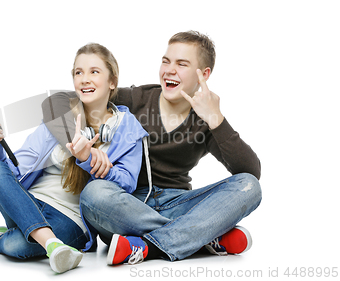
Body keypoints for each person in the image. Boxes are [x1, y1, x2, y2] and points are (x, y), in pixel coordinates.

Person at [41, 31, 262, 265]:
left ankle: (147, 247)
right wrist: (84, 147)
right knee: (93, 194)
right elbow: (54, 103)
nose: (169, 70)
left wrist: (216, 119)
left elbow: (249, 172)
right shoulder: (137, 98)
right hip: (125, 206)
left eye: (181, 64)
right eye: (166, 61)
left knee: (250, 186)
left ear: (204, 75)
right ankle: (200, 237)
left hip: (178, 204)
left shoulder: (205, 119)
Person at [0, 43, 148, 273]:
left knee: (16, 246)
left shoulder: (127, 128)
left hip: (72, 219)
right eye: (78, 72)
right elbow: (14, 170)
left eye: (94, 71)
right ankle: (50, 243)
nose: (84, 79)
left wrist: (89, 160)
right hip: (29, 203)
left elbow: (127, 184)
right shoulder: (60, 118)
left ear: (112, 81)